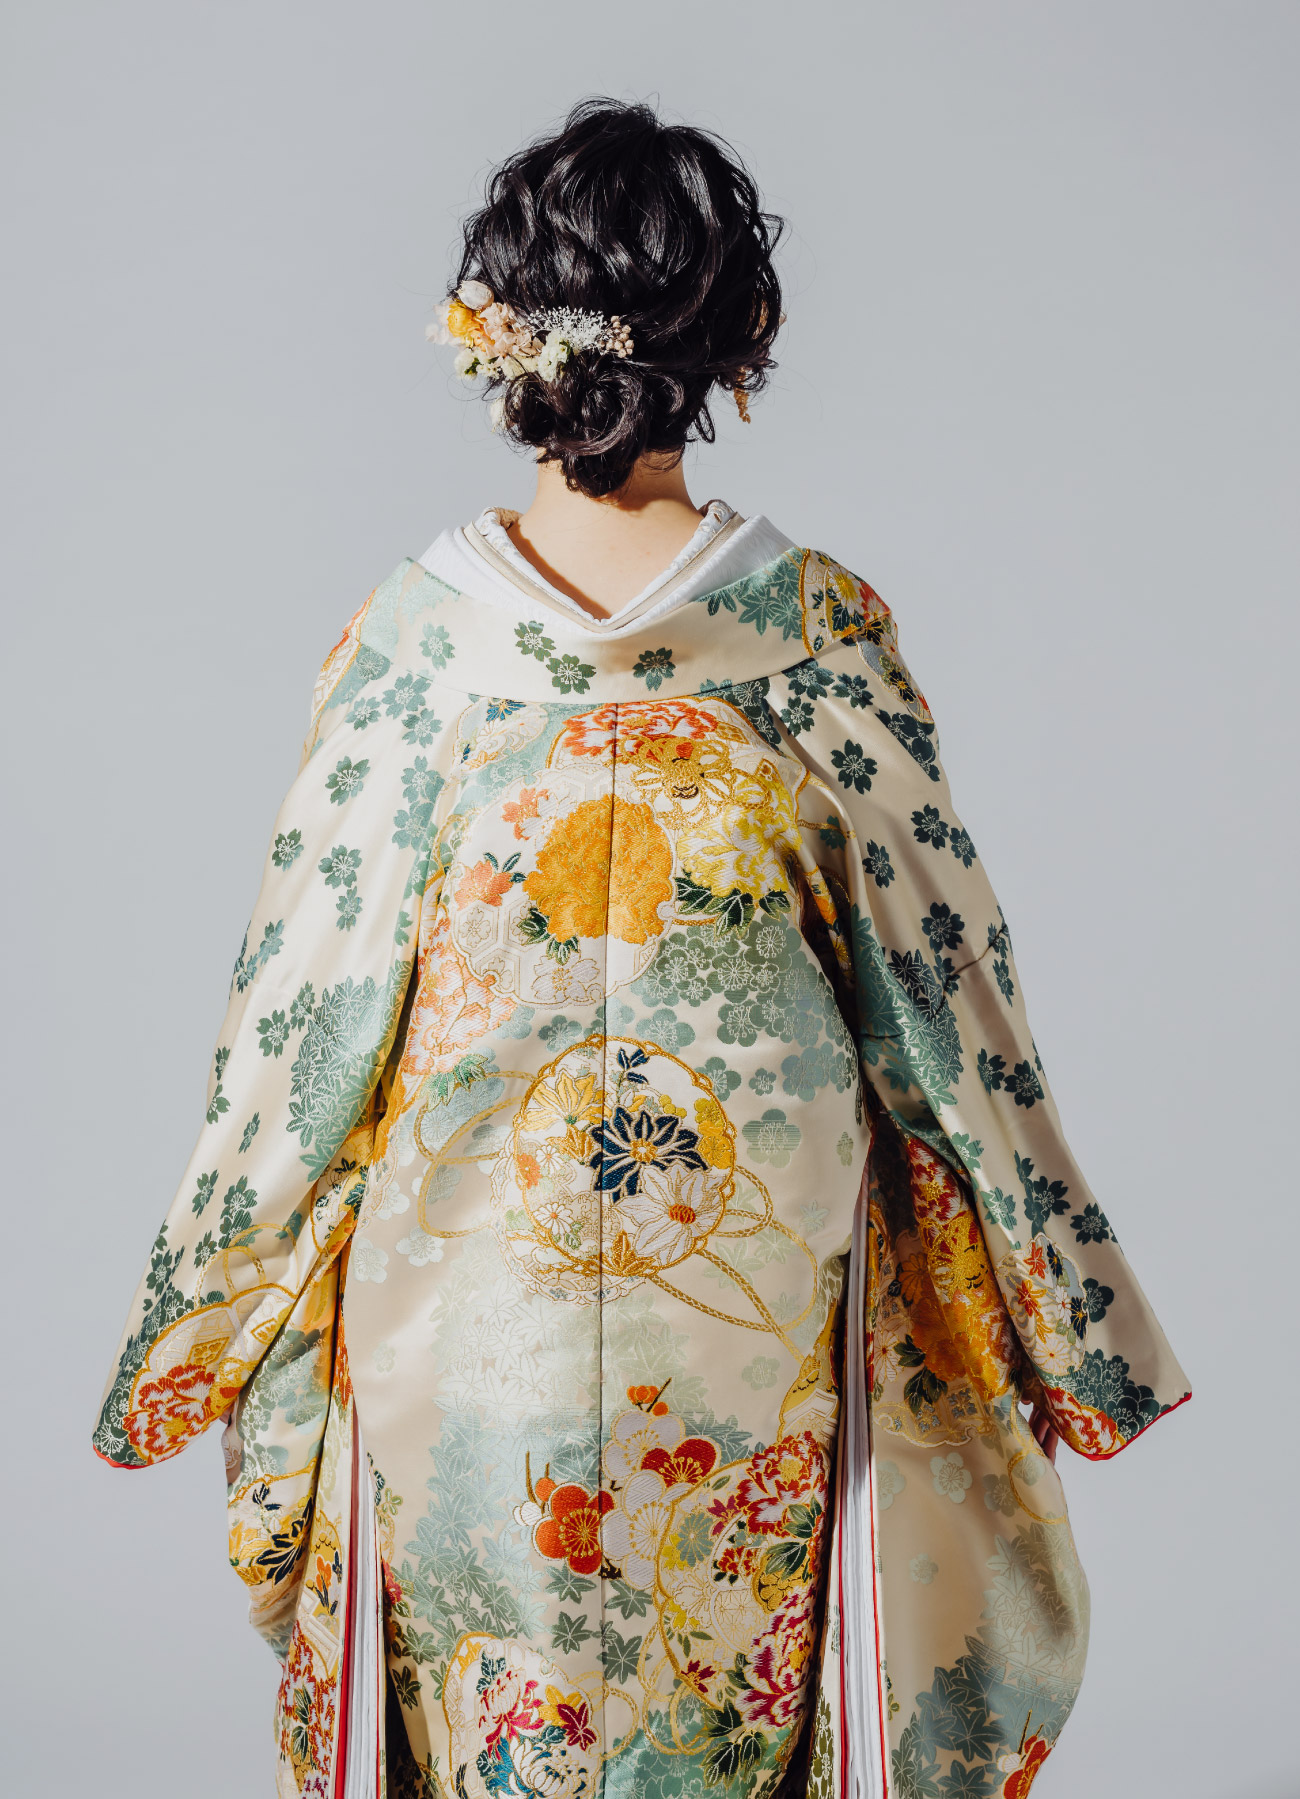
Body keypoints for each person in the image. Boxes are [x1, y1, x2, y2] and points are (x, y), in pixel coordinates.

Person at [95, 98, 1189, 1799]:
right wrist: (1069, 1313)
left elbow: (298, 1035)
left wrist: (200, 1308)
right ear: (738, 337)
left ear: (494, 329)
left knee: (499, 1720)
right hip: (752, 1311)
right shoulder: (812, 637)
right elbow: (950, 1002)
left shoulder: (414, 652)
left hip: (464, 1319)